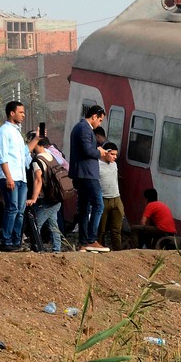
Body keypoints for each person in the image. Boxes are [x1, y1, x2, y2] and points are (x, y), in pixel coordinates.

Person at [70, 105, 115, 253]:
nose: (100, 124)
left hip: (82, 173)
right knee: (98, 205)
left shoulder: (80, 127)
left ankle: (83, 243)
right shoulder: (84, 128)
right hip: (87, 174)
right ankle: (91, 239)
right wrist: (100, 151)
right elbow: (87, 150)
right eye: (100, 120)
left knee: (84, 209)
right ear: (94, 116)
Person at [0, 101, 30, 252]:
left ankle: (17, 241)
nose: (23, 115)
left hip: (21, 176)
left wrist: (37, 138)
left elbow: (24, 152)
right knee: (12, 208)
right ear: (12, 113)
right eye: (21, 112)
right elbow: (2, 156)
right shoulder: (4, 131)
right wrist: (8, 177)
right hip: (10, 175)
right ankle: (6, 241)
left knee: (20, 211)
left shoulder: (17, 132)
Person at [26, 135, 63, 253]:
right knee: (53, 224)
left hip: (48, 198)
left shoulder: (38, 161)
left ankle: (37, 248)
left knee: (37, 224)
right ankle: (57, 249)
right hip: (57, 196)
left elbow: (38, 180)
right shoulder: (51, 156)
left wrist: (33, 198)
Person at [97, 142, 125, 249]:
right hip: (103, 199)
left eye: (115, 154)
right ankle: (99, 250)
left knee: (116, 230)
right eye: (112, 154)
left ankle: (118, 251)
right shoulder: (97, 165)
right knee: (101, 230)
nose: (115, 157)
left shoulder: (114, 165)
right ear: (105, 153)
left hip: (116, 199)